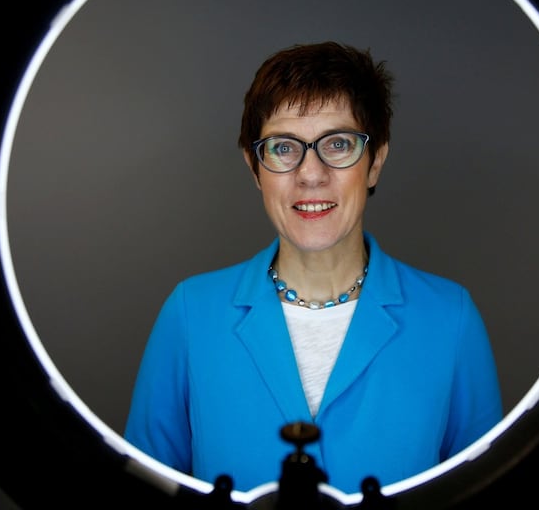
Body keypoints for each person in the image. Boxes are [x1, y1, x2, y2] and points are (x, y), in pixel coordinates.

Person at [124, 41, 502, 494]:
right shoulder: (190, 313)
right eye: (284, 148)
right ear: (254, 168)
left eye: (338, 144)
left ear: (375, 163)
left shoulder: (450, 317)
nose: (310, 173)